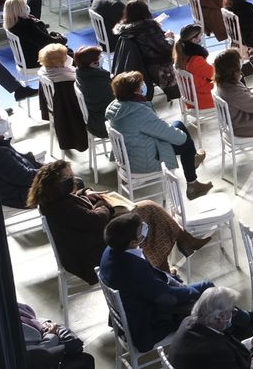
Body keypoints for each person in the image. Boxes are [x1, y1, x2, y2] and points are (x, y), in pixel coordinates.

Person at [31, 158, 204, 282]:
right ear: (54, 183)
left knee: (146, 217)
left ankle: (167, 265)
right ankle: (178, 247)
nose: (72, 180)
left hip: (91, 238)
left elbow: (77, 199)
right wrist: (104, 204)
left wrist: (86, 193)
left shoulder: (52, 198)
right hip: (91, 253)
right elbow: (95, 220)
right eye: (66, 178)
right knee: (144, 219)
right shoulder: (60, 206)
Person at [98, 213, 216, 354]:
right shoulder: (132, 270)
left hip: (135, 308)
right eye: (141, 229)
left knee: (205, 296)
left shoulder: (111, 250)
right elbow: (167, 297)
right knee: (208, 294)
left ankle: (238, 317)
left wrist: (173, 282)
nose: (144, 228)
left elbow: (153, 283)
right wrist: (192, 292)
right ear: (132, 242)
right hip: (147, 322)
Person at [107, 71, 212, 197]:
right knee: (185, 142)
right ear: (135, 91)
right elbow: (170, 134)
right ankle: (192, 184)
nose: (144, 87)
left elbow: (153, 127)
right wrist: (181, 137)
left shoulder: (117, 106)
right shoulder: (138, 112)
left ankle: (192, 160)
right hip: (144, 159)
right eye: (141, 85)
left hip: (131, 153)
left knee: (178, 124)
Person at [162, 287, 253, 369]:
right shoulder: (218, 352)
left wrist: (249, 342)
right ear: (220, 317)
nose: (233, 314)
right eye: (232, 311)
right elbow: (221, 353)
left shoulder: (188, 322)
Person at [0, 107, 41, 208]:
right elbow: (25, 177)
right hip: (25, 195)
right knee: (72, 182)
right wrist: (52, 172)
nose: (4, 124)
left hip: (27, 187)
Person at [172, 24, 215, 115]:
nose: (201, 39)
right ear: (194, 40)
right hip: (202, 101)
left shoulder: (181, 57)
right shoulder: (196, 60)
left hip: (191, 100)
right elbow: (214, 74)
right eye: (200, 36)